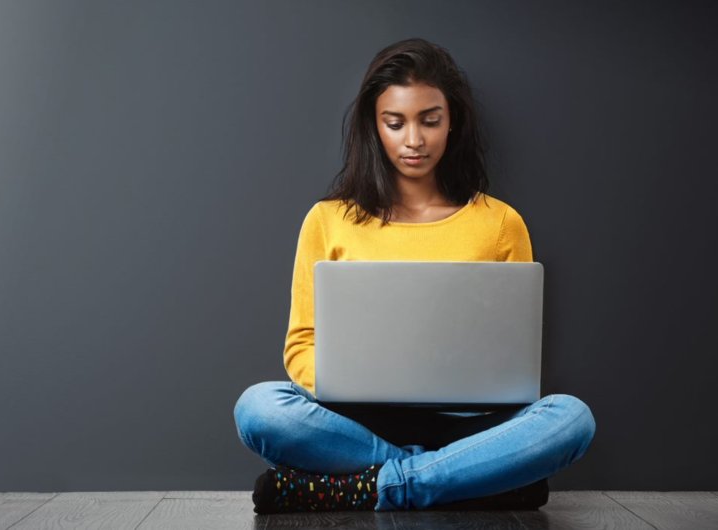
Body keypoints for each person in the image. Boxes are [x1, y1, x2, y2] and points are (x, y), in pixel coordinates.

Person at [233, 37, 596, 513]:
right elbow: (301, 346)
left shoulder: (500, 222)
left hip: (472, 424)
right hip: (356, 425)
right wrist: (357, 381)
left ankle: (371, 485)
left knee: (572, 418)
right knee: (259, 408)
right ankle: (470, 478)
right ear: (374, 126)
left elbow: (518, 360)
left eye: (430, 120)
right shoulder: (329, 219)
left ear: (453, 123)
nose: (414, 141)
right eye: (395, 122)